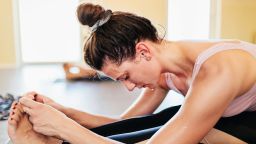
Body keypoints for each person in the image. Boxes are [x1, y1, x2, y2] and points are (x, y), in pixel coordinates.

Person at [7, 3, 256, 144]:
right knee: (162, 122)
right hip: (236, 118)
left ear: (143, 52)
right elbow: (126, 123)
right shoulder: (165, 67)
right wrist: (66, 113)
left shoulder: (219, 70)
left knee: (193, 135)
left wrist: (63, 128)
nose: (128, 87)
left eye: (125, 76)